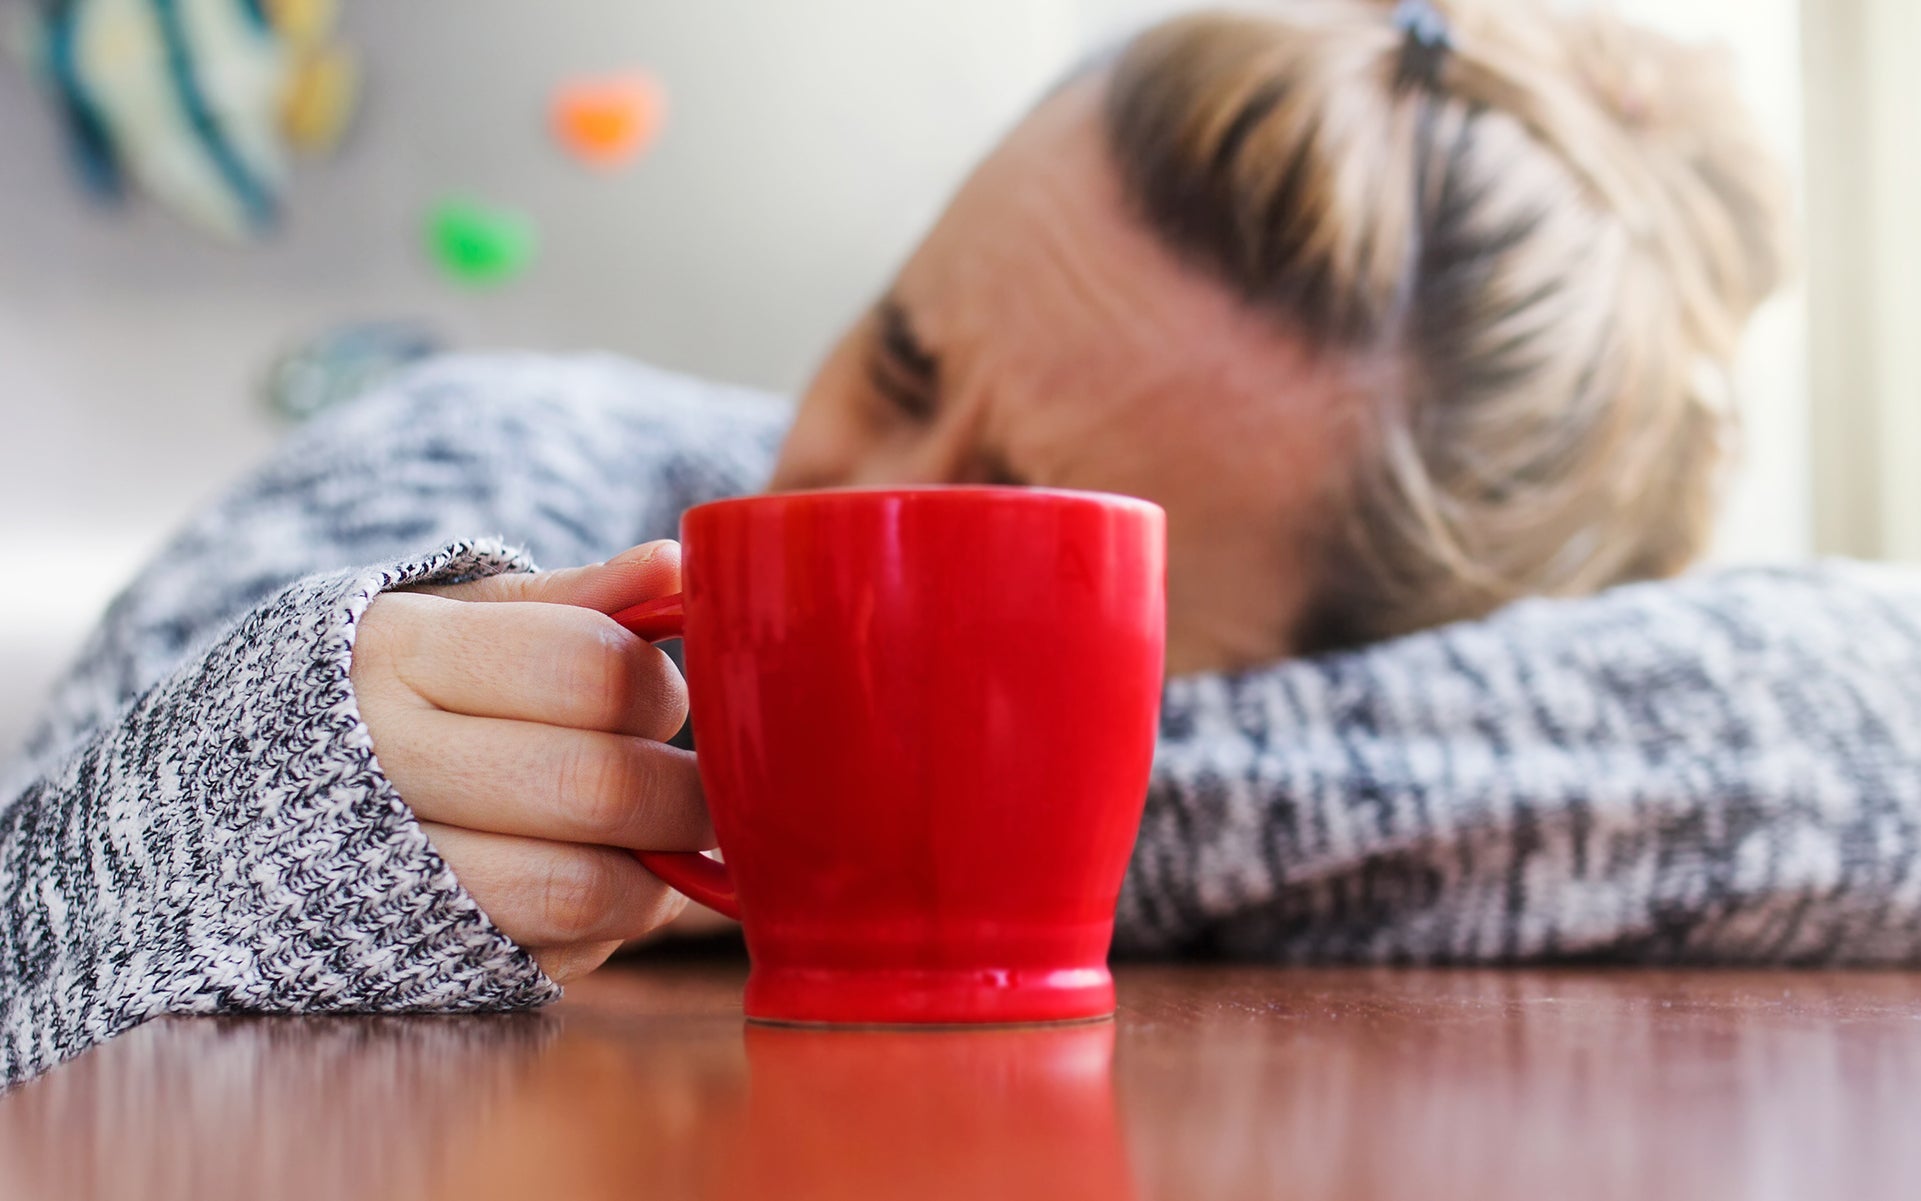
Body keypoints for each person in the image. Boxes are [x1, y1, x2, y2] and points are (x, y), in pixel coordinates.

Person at [8, 0, 1920, 1091]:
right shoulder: (497, 454)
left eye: (1028, 531)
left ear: (1395, 670)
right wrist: (260, 799)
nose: (860, 490)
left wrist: (994, 837)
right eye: (905, 346)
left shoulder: (1418, 719)